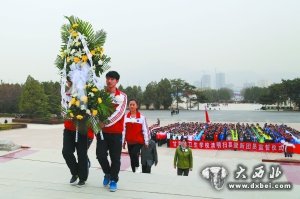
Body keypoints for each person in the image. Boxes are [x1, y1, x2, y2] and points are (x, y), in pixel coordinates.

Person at [96, 71, 127, 192]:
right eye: (108, 78)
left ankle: (114, 180)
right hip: (102, 132)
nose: (109, 81)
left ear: (117, 81)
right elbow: (95, 110)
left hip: (116, 132)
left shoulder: (122, 96)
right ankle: (107, 173)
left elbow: (119, 113)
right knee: (100, 155)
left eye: (112, 79)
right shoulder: (100, 95)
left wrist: (105, 122)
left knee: (115, 158)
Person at [62, 78, 94, 187]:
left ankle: (82, 178)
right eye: (68, 81)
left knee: (81, 154)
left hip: (82, 129)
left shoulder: (85, 93)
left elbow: (91, 111)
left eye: (72, 80)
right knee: (66, 152)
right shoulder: (65, 93)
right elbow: (63, 109)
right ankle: (75, 172)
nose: (70, 83)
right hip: (68, 128)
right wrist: (66, 114)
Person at [122, 99, 149, 173]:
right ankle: (134, 171)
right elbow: (123, 130)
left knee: (134, 154)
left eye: (133, 104)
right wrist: (123, 142)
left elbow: (145, 130)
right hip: (129, 141)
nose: (132, 106)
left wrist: (146, 142)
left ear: (137, 106)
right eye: (130, 104)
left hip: (139, 141)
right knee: (131, 157)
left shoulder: (142, 117)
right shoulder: (125, 117)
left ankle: (137, 169)